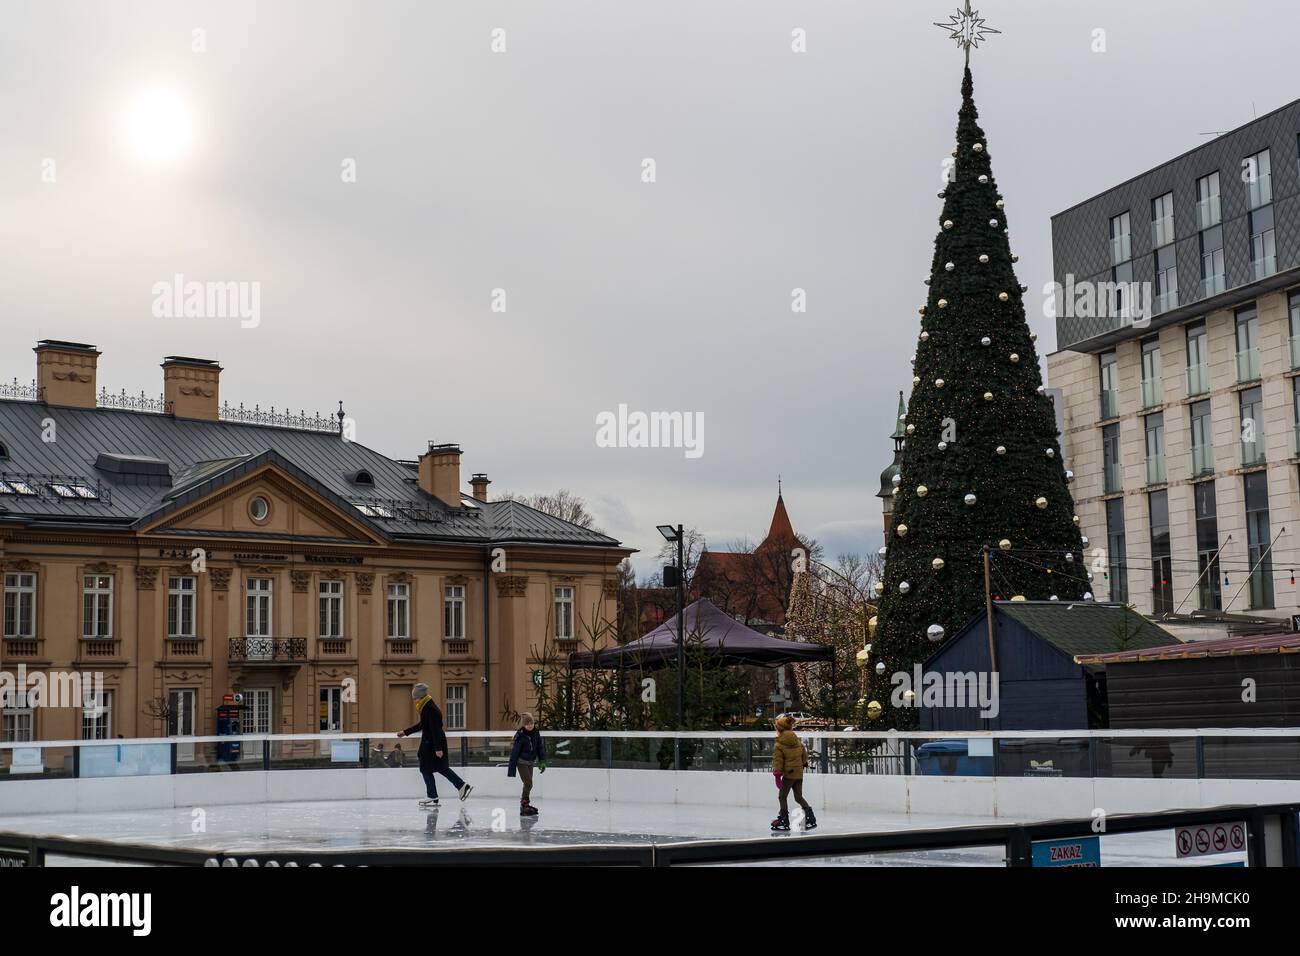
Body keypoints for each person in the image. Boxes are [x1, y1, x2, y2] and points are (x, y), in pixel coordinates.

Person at [396, 683, 472, 807]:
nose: (414, 701)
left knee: (425, 769)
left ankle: (433, 795)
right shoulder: (427, 707)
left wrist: (438, 748)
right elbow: (422, 725)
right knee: (441, 768)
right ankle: (461, 786)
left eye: (415, 698)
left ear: (420, 697)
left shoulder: (430, 709)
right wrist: (405, 732)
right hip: (432, 743)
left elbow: (435, 729)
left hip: (431, 744)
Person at [770, 714, 817, 831]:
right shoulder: (797, 740)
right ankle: (810, 818)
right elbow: (804, 754)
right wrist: (804, 763)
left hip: (789, 775)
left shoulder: (779, 744)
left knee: (782, 796)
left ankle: (783, 820)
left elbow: (778, 761)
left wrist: (777, 775)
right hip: (799, 773)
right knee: (798, 797)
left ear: (779, 729)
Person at [506, 712, 547, 815]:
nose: (530, 725)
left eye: (531, 723)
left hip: (530, 762)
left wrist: (542, 761)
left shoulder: (536, 733)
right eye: (527, 724)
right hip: (522, 762)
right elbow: (515, 752)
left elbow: (540, 748)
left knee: (528, 784)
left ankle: (525, 804)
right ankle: (524, 804)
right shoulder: (521, 735)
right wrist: (512, 769)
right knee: (529, 783)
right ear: (524, 725)